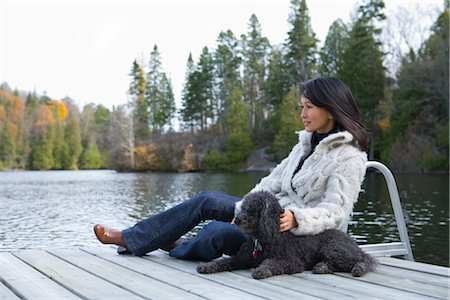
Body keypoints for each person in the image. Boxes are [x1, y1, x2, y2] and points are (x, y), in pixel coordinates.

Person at [94, 77, 369, 260]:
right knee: (208, 200)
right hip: (266, 217)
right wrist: (243, 211)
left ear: (330, 110)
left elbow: (336, 212)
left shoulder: (349, 158)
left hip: (296, 240)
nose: (302, 114)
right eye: (302, 107)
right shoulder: (304, 145)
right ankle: (133, 238)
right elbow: (271, 183)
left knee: (215, 232)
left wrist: (298, 219)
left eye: (309, 107)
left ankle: (178, 246)